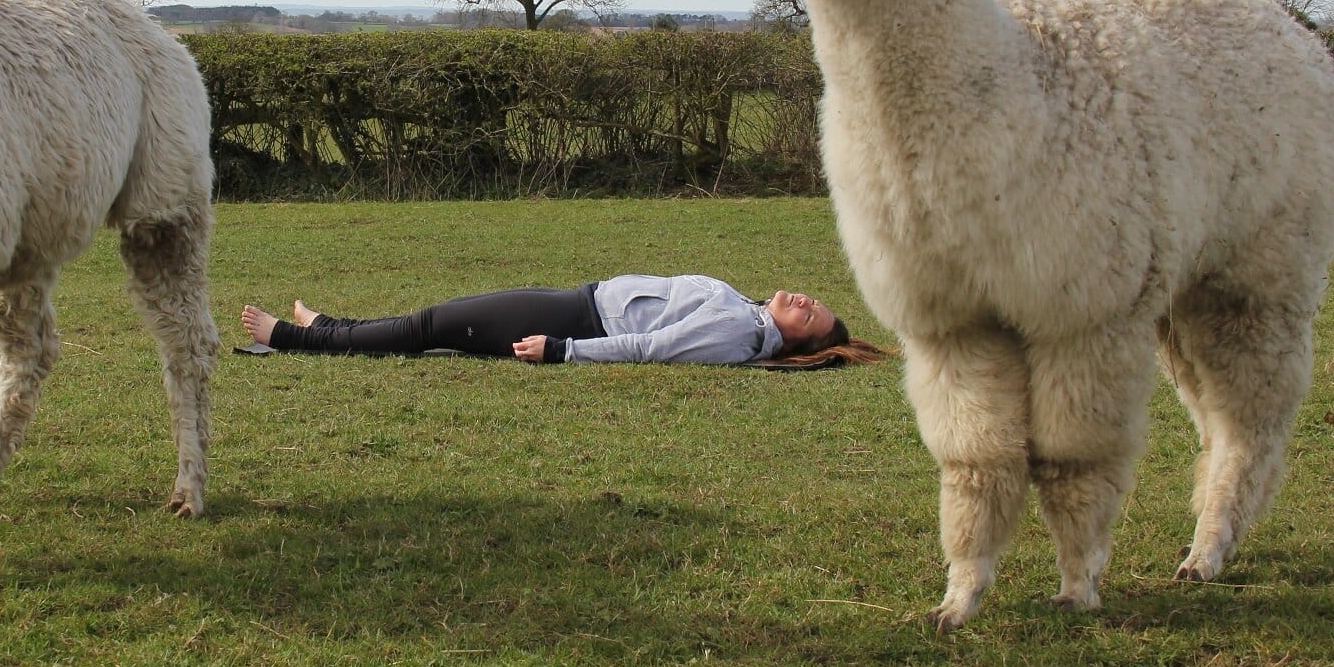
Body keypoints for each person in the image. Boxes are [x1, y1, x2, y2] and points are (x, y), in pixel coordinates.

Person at [239, 274, 891, 368]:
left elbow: (650, 348)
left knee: (432, 325)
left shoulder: (741, 332)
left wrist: (566, 351)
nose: (802, 301)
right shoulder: (748, 311)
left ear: (797, 338)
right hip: (579, 301)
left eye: (810, 314)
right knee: (434, 321)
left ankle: (293, 338)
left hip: (578, 319)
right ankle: (331, 323)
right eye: (810, 299)